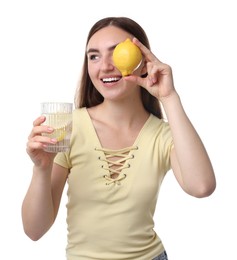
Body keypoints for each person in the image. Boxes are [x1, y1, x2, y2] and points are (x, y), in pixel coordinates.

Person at [22, 17, 216, 260]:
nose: (104, 66)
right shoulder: (69, 126)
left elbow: (201, 186)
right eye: (93, 56)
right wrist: (42, 168)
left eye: (116, 53)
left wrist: (169, 96)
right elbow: (34, 230)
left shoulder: (162, 135)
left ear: (143, 60)